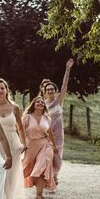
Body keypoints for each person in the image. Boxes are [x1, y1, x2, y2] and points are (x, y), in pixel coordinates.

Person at [41, 58, 74, 188]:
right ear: (45, 92)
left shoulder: (58, 101)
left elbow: (64, 86)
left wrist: (67, 69)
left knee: (57, 155)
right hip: (47, 134)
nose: (50, 91)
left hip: (58, 134)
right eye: (48, 89)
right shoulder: (42, 104)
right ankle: (46, 177)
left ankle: (54, 175)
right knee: (46, 155)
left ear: (54, 91)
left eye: (52, 89)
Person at [22, 96, 56, 199]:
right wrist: (22, 145)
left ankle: (39, 195)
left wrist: (54, 146)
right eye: (38, 102)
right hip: (31, 145)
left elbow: (50, 134)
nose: (40, 103)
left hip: (45, 144)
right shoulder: (26, 118)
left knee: (42, 165)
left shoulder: (47, 119)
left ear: (44, 106)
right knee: (25, 167)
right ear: (33, 104)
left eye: (42, 102)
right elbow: (21, 132)